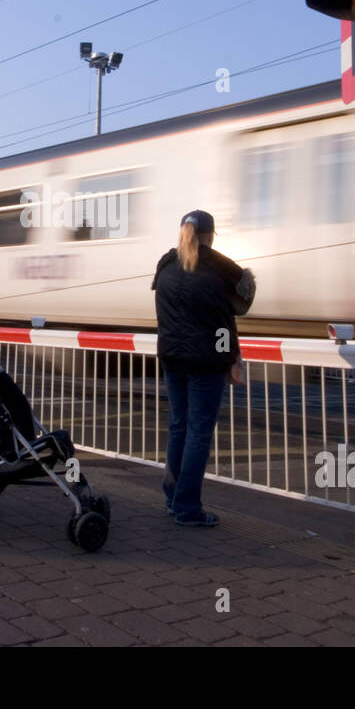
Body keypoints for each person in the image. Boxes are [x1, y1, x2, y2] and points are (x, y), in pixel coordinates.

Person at [151, 210, 256, 527]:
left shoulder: (166, 265)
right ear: (211, 235)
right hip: (207, 361)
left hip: (172, 357)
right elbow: (240, 306)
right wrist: (226, 355)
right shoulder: (221, 269)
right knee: (198, 432)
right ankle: (187, 508)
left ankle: (173, 499)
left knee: (179, 426)